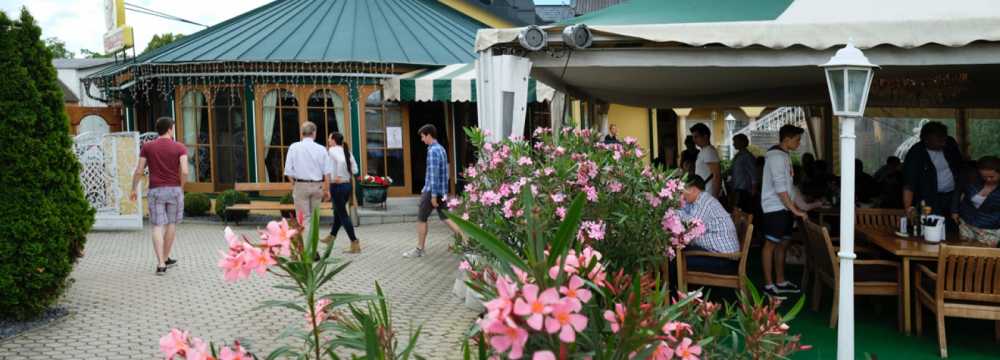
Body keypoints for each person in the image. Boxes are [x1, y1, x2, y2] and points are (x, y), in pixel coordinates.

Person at [130, 117, 189, 275]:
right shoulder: (180, 147)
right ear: (170, 129)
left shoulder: (147, 147)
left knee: (157, 226)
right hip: (174, 189)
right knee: (171, 224)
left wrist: (133, 188)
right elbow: (184, 171)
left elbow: (139, 170)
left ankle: (161, 263)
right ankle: (165, 258)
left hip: (155, 190)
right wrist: (181, 187)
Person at [760, 124, 808, 298]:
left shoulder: (784, 155)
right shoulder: (776, 157)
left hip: (784, 207)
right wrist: (795, 210)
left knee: (783, 244)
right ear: (786, 139)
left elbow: (788, 187)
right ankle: (768, 284)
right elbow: (780, 188)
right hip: (774, 208)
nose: (799, 143)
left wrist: (803, 206)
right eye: (797, 139)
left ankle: (780, 280)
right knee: (770, 245)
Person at [404, 124, 464, 258]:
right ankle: (467, 242)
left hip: (432, 191)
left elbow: (434, 175)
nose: (422, 139)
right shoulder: (441, 149)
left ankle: (419, 249)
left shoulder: (432, 151)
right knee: (447, 218)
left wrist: (432, 196)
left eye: (422, 136)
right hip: (441, 191)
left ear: (428, 135)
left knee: (421, 219)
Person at [903, 121, 962, 230]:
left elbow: (961, 168)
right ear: (926, 139)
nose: (943, 143)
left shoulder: (950, 144)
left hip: (952, 196)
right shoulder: (916, 153)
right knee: (933, 227)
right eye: (939, 141)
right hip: (930, 198)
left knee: (954, 226)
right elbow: (909, 183)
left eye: (944, 139)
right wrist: (908, 208)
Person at [678, 175, 741, 272]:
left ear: (693, 189)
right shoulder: (698, 201)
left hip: (725, 260)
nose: (681, 195)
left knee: (677, 261)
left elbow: (690, 227)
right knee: (680, 253)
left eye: (682, 191)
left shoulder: (704, 202)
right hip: (719, 255)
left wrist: (675, 212)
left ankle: (676, 286)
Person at [284, 121, 332, 239]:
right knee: (315, 218)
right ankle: (313, 248)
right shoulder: (321, 149)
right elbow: (327, 173)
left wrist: (294, 184)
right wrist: (327, 190)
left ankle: (307, 249)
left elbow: (287, 171)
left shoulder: (294, 147)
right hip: (317, 186)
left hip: (300, 185)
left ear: (302, 133)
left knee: (303, 219)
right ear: (314, 133)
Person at [323, 132, 361, 253]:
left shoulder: (332, 150)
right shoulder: (347, 151)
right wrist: (345, 175)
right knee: (338, 212)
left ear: (333, 140)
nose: (328, 140)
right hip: (347, 186)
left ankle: (354, 242)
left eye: (329, 138)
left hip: (338, 186)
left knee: (343, 214)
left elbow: (341, 162)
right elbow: (355, 170)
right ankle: (332, 236)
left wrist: (338, 175)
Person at [954, 156, 1000, 247]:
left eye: (992, 177)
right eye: (984, 177)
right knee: (965, 253)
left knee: (985, 256)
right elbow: (958, 191)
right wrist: (954, 210)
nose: (988, 179)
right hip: (967, 223)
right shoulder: (972, 181)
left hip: (989, 228)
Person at [689, 123, 721, 198]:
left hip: (709, 194)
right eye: (693, 137)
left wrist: (714, 197)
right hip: (705, 192)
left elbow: (716, 175)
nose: (694, 140)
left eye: (696, 137)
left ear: (705, 136)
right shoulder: (704, 151)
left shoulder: (708, 151)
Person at [730, 134, 757, 213]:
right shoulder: (738, 155)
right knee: (737, 210)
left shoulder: (747, 156)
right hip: (737, 188)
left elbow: (753, 173)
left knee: (742, 212)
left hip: (744, 189)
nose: (733, 144)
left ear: (742, 142)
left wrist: (754, 189)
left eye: (735, 142)